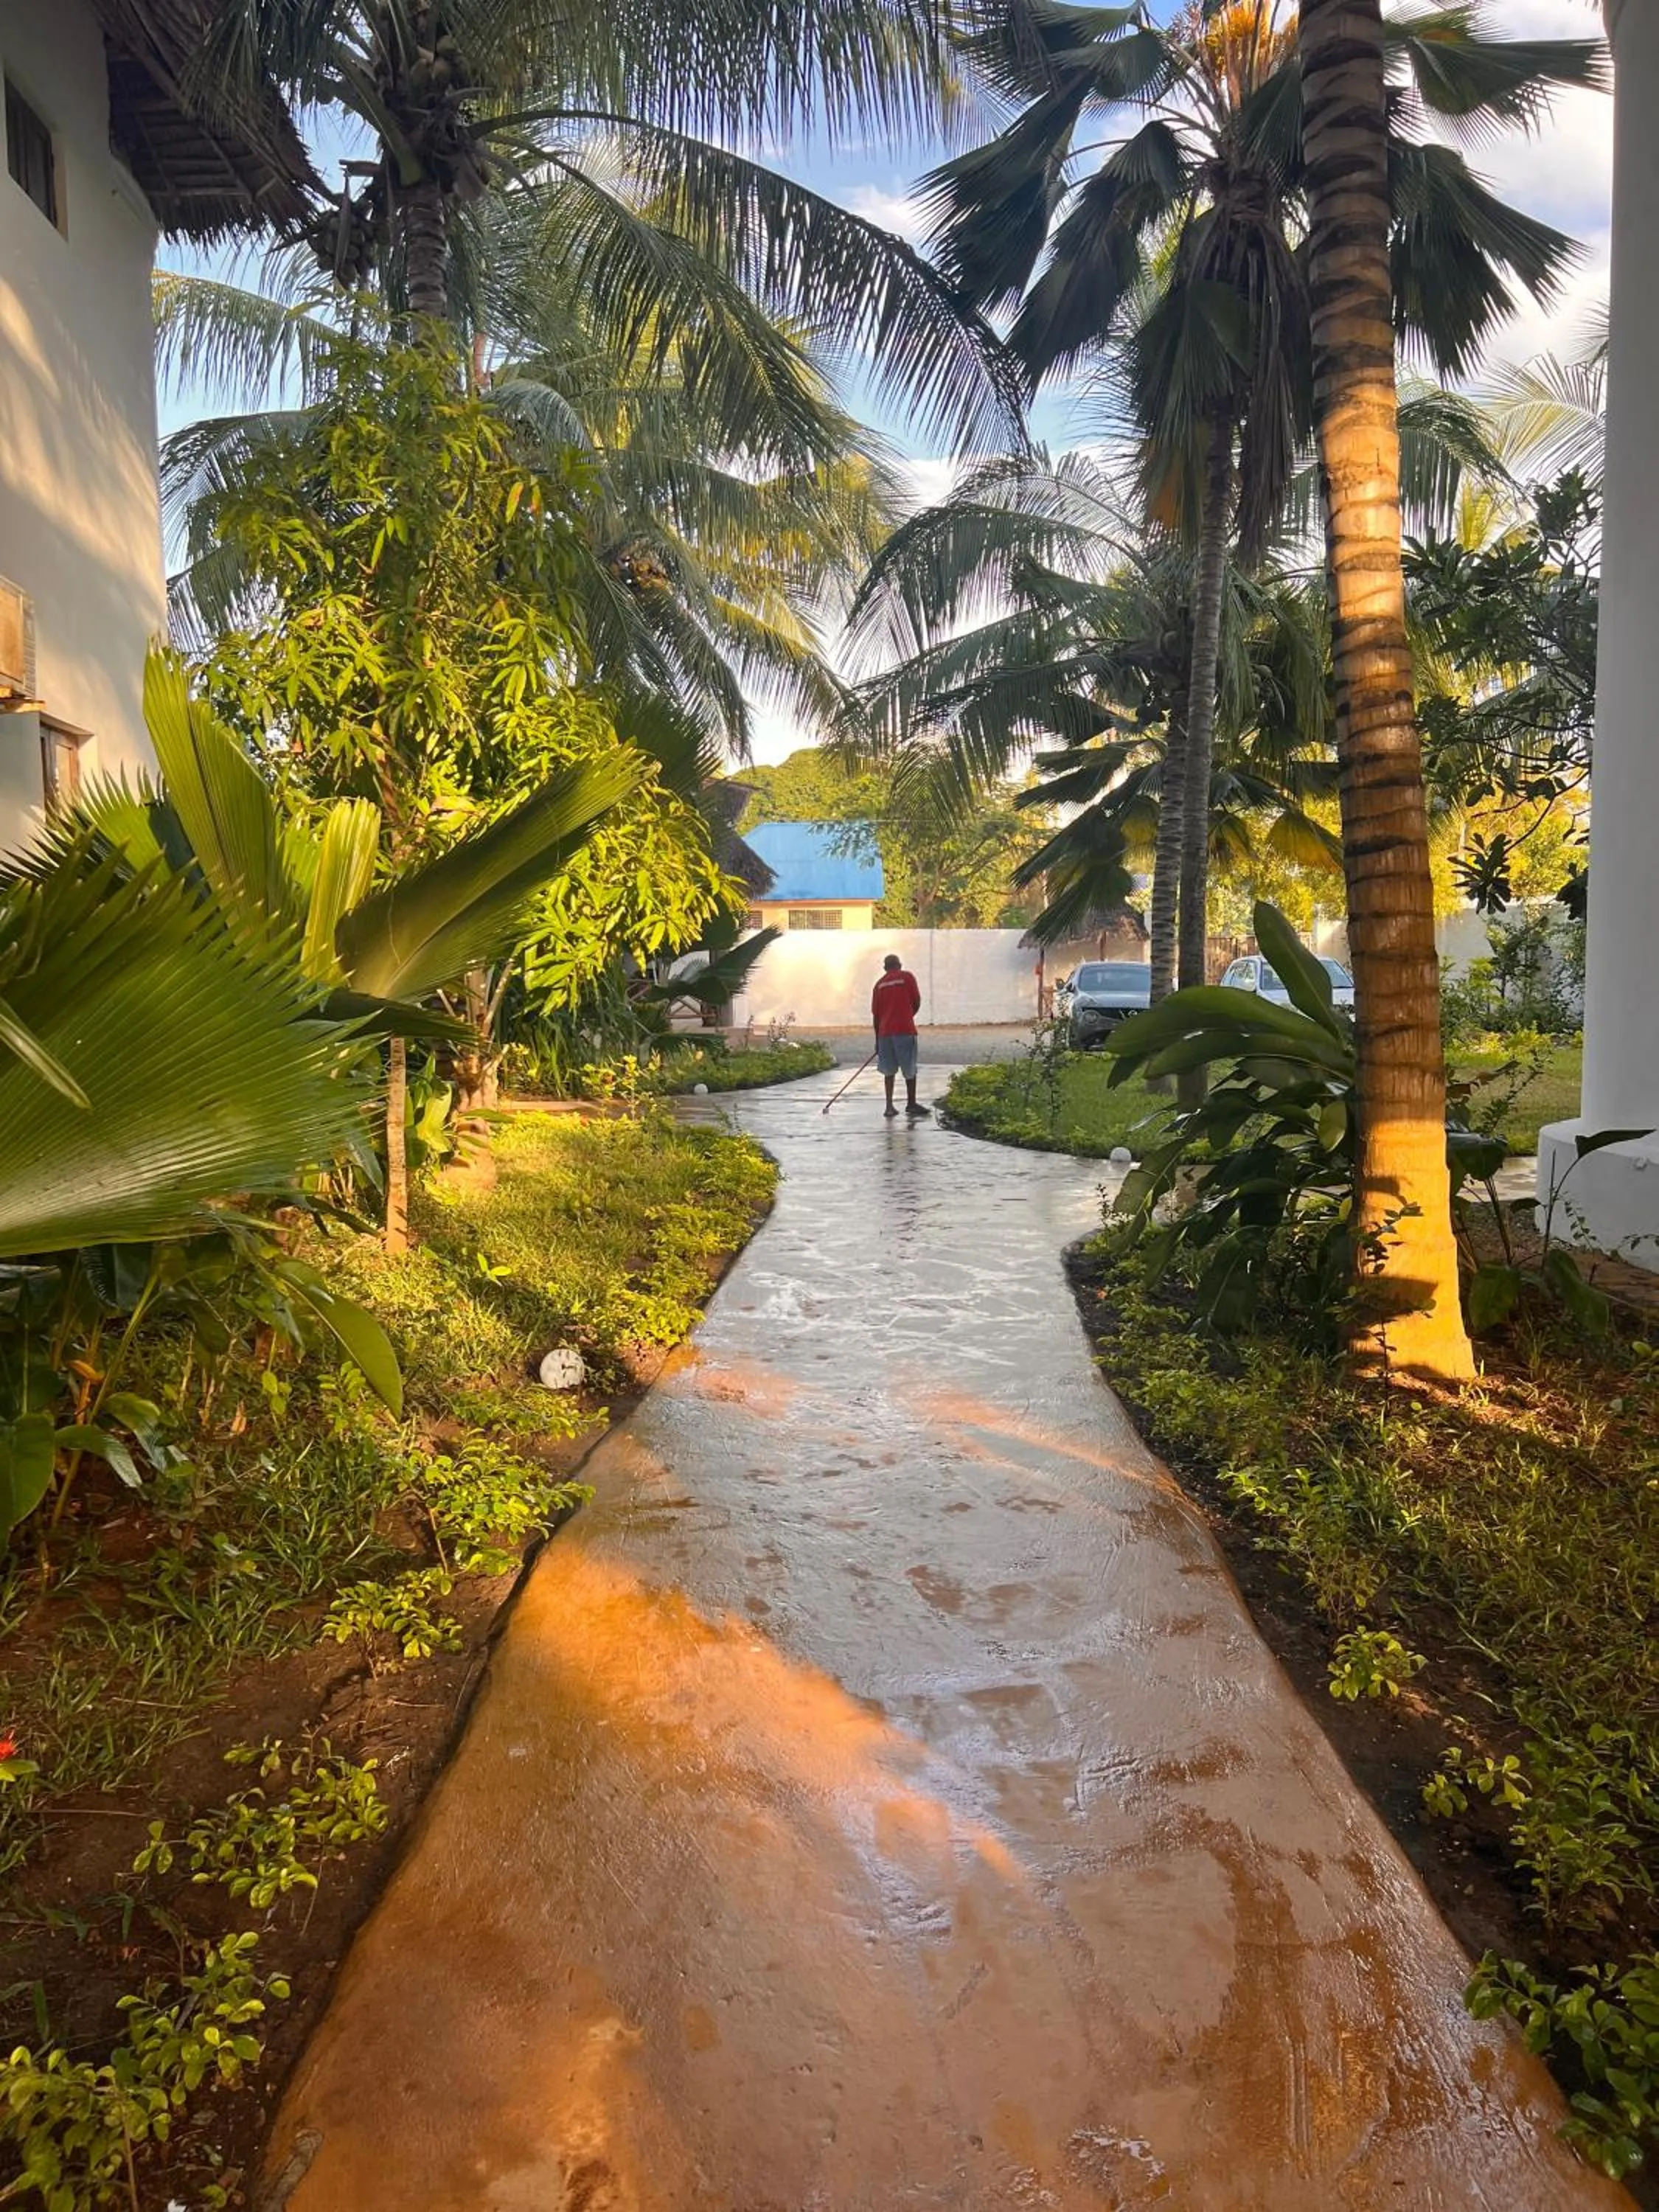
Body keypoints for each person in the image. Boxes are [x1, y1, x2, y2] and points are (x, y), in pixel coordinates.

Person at [872, 952, 928, 1119]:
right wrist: (908, 1015)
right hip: (904, 1029)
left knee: (889, 1070)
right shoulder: (907, 977)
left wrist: (877, 1040)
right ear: (900, 965)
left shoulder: (879, 985)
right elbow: (916, 1001)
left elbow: (876, 1015)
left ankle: (889, 1107)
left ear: (884, 968)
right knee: (909, 1068)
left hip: (884, 1033)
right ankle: (911, 1104)